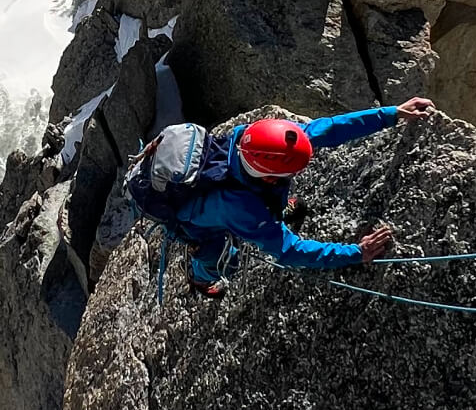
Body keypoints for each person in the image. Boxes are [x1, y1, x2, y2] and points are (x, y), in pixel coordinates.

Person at [176, 97, 435, 296]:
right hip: (194, 221)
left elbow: (328, 129)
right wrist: (357, 252)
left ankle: (275, 212)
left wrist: (391, 114)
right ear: (268, 177)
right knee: (223, 257)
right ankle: (201, 277)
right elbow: (288, 250)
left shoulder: (260, 139)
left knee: (264, 210)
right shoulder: (242, 208)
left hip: (227, 196)